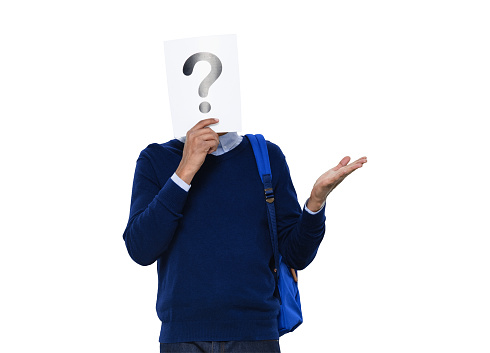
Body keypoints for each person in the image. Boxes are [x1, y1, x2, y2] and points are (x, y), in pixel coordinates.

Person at [122, 118, 367, 353]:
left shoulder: (267, 157)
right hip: (183, 339)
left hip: (256, 337)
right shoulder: (155, 159)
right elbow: (140, 248)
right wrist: (184, 170)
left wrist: (315, 202)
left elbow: (296, 256)